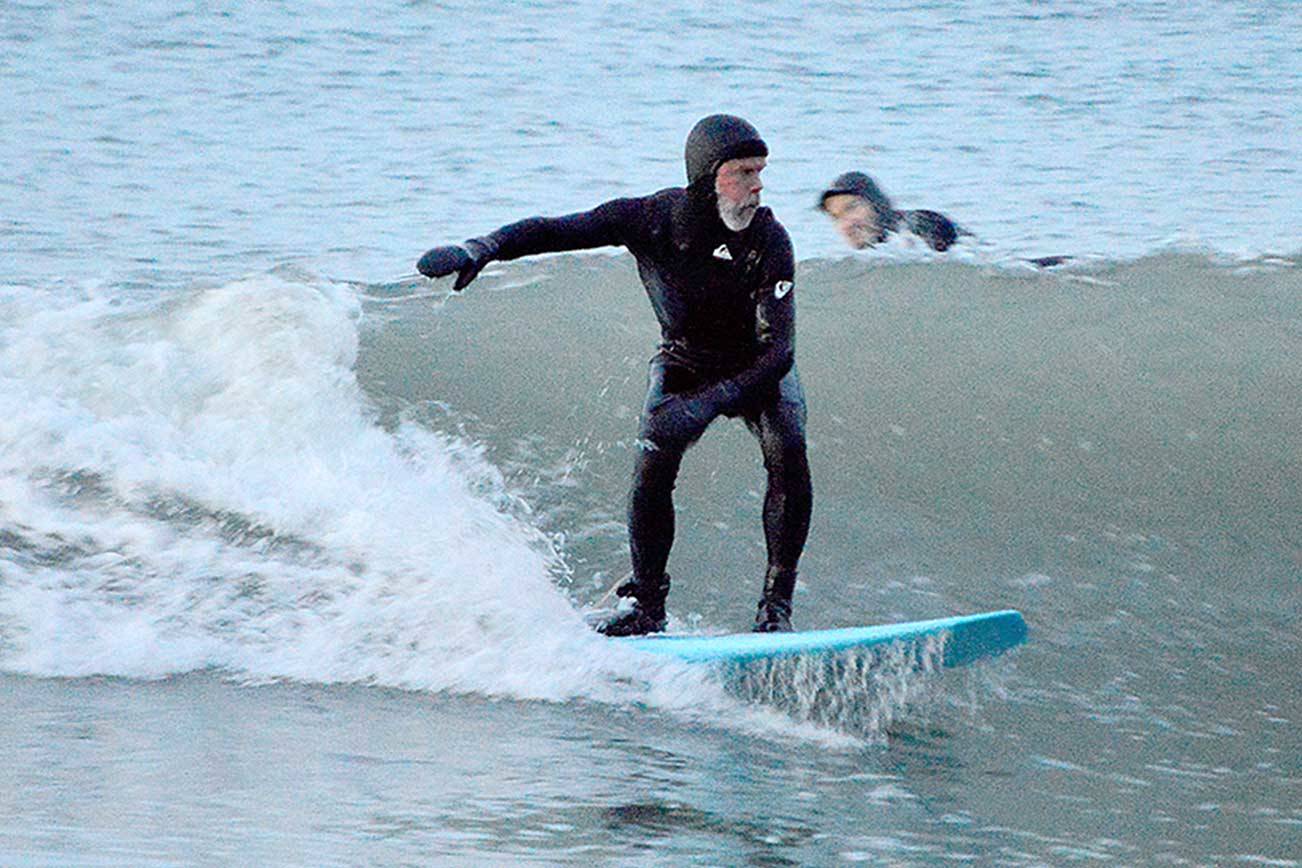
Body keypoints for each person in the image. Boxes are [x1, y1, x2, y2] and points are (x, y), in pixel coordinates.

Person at [415, 115, 813, 636]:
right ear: (707, 176)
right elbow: (558, 230)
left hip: (755, 368)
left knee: (787, 448)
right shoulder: (652, 219)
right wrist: (483, 247)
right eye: (743, 172)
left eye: (760, 171)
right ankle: (646, 605)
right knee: (652, 458)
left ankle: (775, 608)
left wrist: (710, 401)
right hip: (685, 360)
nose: (758, 185)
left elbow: (779, 351)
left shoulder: (770, 241)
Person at [818, 170, 961, 252]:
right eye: (836, 217)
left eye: (851, 208)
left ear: (877, 204)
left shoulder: (918, 225)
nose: (846, 224)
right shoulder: (874, 255)